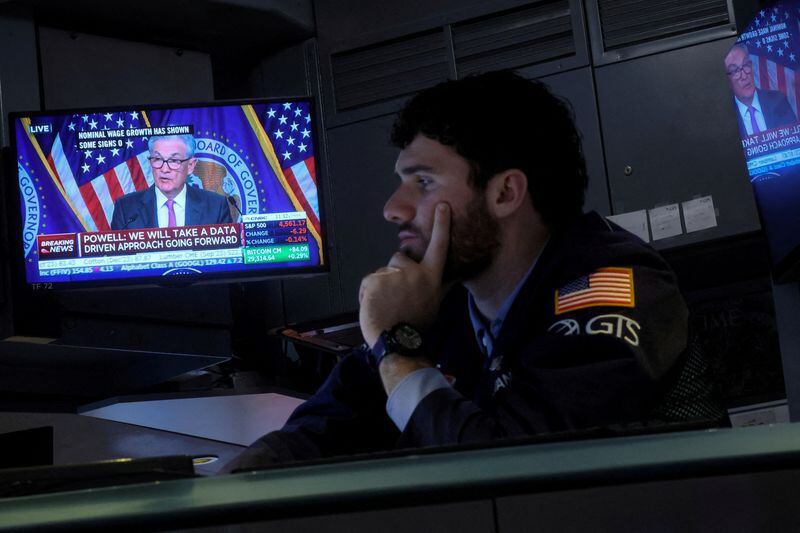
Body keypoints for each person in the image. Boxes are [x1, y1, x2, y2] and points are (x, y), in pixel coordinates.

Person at [224, 71, 721, 471]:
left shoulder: (612, 285)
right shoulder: (445, 301)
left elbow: (514, 472)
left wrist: (396, 345)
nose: (393, 209)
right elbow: (319, 433)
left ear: (505, 193)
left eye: (423, 181)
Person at [110, 134, 233, 230]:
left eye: (174, 160)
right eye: (157, 159)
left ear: (190, 165)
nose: (164, 169)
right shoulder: (126, 209)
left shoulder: (216, 206)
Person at [725, 43, 797, 136]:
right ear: (727, 80)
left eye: (746, 65)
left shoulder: (779, 100)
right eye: (735, 71)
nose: (744, 76)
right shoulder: (724, 117)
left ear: (751, 65)